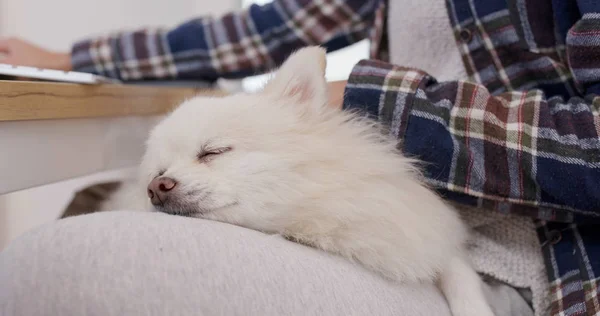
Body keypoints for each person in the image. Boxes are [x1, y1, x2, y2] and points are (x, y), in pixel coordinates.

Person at [1, 0, 599, 315]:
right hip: (393, 219)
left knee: (68, 268)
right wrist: (72, 56)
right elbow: (267, 30)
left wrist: (384, 103)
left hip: (540, 264)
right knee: (86, 205)